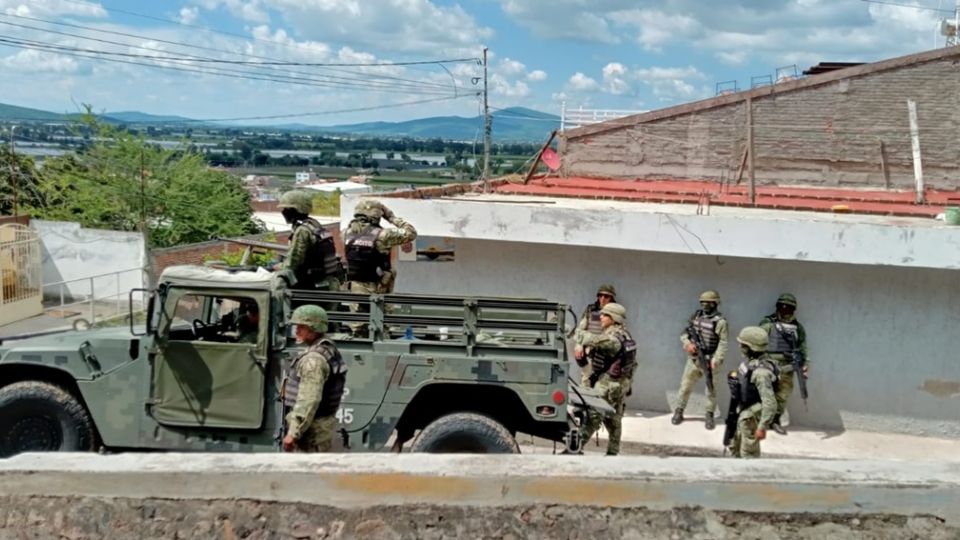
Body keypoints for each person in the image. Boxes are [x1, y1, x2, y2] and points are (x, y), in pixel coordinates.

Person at [282, 305, 347, 453]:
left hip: (311, 435)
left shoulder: (314, 361)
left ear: (314, 328)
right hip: (319, 430)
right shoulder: (325, 347)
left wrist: (293, 433)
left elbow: (309, 399)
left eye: (302, 327)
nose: (296, 330)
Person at [577, 302, 637, 456]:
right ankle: (613, 452)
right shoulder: (626, 335)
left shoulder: (613, 338)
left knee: (593, 416)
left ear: (614, 318)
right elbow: (633, 364)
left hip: (608, 384)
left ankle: (574, 449)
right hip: (619, 385)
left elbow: (592, 338)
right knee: (614, 420)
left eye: (605, 315)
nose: (600, 317)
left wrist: (574, 331)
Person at [671, 290, 728, 430]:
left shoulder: (720, 322)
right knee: (685, 386)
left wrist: (717, 359)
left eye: (708, 303)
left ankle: (709, 415)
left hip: (711, 360)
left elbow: (723, 343)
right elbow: (684, 334)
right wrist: (688, 344)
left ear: (715, 303)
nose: (704, 305)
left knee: (711, 389)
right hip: (694, 360)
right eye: (702, 302)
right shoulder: (695, 317)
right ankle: (679, 410)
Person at [759, 293, 809, 435]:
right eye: (782, 306)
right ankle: (761, 419)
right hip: (768, 363)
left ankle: (775, 420)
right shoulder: (767, 323)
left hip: (788, 366)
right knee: (765, 392)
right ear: (778, 306)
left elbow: (803, 346)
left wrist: (805, 364)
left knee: (783, 394)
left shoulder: (798, 328)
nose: (785, 309)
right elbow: (758, 341)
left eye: (788, 307)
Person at [344, 199, 417, 295]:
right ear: (377, 215)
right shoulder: (383, 235)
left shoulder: (346, 233)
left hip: (356, 290)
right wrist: (391, 217)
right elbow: (411, 233)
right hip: (378, 290)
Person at [726, 326, 779, 459]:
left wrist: (762, 427)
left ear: (752, 347)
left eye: (743, 345)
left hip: (751, 415)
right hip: (742, 409)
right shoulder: (750, 362)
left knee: (748, 453)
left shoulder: (761, 372)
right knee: (734, 444)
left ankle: (748, 477)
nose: (740, 347)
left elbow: (770, 403)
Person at [276, 190, 343, 292]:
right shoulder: (314, 224)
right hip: (326, 282)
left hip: (310, 285)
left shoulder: (302, 230)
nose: (283, 212)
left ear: (297, 209)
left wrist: (277, 267)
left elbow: (293, 261)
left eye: (287, 208)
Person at [573, 284, 617, 387]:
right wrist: (579, 345)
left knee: (604, 384)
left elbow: (619, 333)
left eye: (606, 296)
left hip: (606, 354)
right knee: (586, 380)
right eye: (600, 295)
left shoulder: (616, 312)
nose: (602, 299)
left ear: (611, 298)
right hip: (590, 352)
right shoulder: (592, 310)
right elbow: (581, 329)